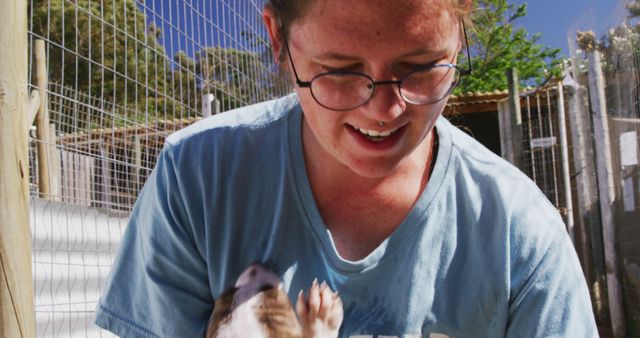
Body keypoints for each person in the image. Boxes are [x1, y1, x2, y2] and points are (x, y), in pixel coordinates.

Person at [94, 0, 599, 337]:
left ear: (459, 40)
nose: (382, 110)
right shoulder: (196, 179)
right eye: (338, 72)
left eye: (422, 67)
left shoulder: (521, 235)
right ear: (278, 40)